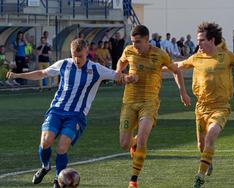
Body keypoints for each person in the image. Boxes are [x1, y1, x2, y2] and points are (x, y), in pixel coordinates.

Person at [6, 38, 137, 188]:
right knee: (45, 141)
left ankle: (58, 179)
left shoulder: (96, 69)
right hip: (56, 110)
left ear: (86, 53)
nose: (77, 59)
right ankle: (45, 166)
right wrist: (18, 75)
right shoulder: (64, 64)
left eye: (80, 56)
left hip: (76, 115)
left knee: (62, 147)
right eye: (74, 55)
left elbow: (117, 75)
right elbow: (42, 73)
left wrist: (129, 78)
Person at [175, 22, 234, 188]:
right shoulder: (196, 57)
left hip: (221, 107)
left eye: (201, 40)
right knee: (202, 145)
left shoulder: (227, 56)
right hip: (201, 108)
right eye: (198, 40)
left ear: (212, 40)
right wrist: (158, 69)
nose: (198, 43)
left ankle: (200, 176)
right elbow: (176, 67)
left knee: (211, 135)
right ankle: (208, 161)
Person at [116, 25, 191, 188]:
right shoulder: (129, 51)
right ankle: (133, 142)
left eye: (138, 42)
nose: (135, 45)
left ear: (147, 40)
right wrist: (123, 76)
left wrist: (182, 93)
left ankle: (133, 180)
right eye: (133, 42)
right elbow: (120, 65)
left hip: (149, 102)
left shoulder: (159, 54)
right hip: (129, 102)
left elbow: (176, 71)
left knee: (143, 137)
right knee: (124, 143)